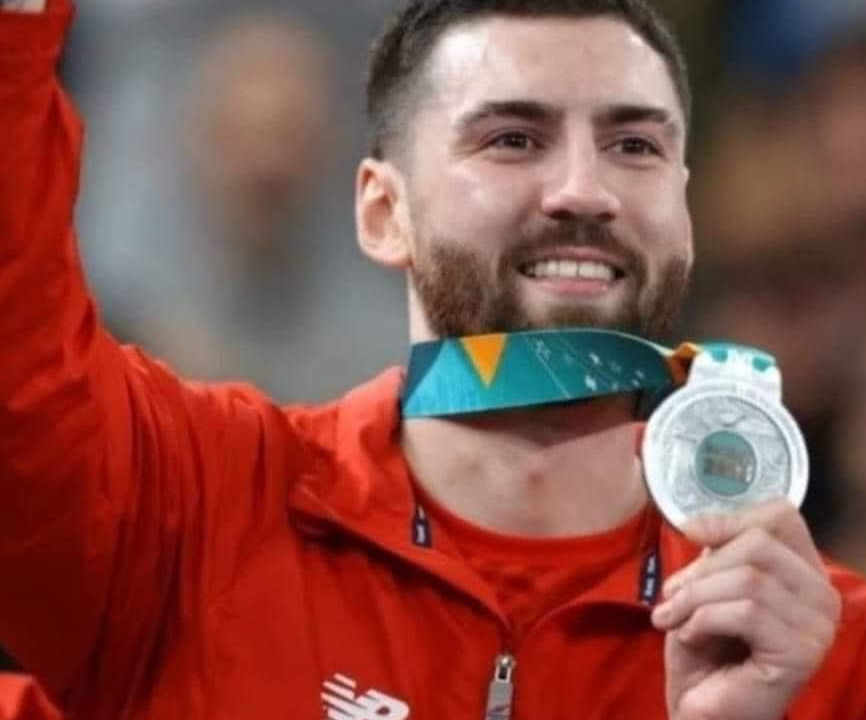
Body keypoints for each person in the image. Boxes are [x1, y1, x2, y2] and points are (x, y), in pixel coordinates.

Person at [0, 2, 864, 720]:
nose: (584, 190)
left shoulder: (818, 653)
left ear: (683, 212)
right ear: (384, 212)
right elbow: (20, 367)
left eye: (634, 146)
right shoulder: (192, 517)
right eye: (513, 139)